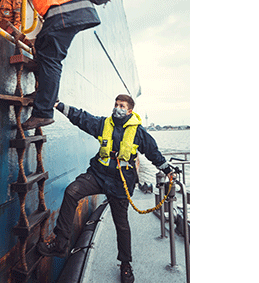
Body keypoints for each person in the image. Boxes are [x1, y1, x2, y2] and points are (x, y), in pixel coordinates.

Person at [38, 95, 177, 283]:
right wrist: (58, 104)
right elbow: (81, 118)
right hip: (98, 176)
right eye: (116, 104)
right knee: (72, 191)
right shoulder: (104, 124)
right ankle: (61, 243)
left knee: (122, 224)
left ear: (129, 111)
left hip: (121, 183)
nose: (117, 108)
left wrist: (168, 170)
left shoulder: (139, 132)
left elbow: (154, 153)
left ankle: (126, 264)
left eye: (122, 106)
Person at [0, 0, 101, 131]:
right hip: (64, 12)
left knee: (51, 57)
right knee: (43, 48)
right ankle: (43, 94)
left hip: (65, 9)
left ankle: (43, 112)